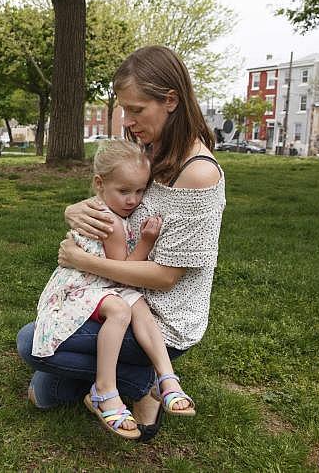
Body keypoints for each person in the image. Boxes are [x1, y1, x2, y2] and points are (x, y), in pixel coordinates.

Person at [16, 45, 226, 441]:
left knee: (31, 343)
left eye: (136, 110)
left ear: (170, 101)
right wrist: (75, 211)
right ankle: (122, 380)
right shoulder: (146, 150)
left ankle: (141, 382)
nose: (127, 122)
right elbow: (113, 197)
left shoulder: (199, 175)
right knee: (44, 391)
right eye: (124, 110)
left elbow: (165, 278)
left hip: (162, 318)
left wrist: (79, 260)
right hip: (121, 292)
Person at [32, 140, 195, 440]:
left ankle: (166, 377)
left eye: (140, 190)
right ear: (99, 183)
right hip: (85, 285)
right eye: (124, 191)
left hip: (103, 280)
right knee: (121, 310)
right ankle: (105, 388)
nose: (133, 199)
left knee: (140, 308)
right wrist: (146, 241)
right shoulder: (110, 222)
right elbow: (124, 272)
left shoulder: (105, 206)